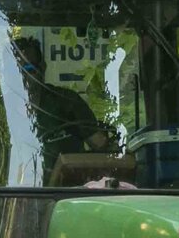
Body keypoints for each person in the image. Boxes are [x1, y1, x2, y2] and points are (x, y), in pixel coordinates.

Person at [15, 37, 113, 169]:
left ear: (42, 67)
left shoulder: (68, 101)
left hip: (69, 182)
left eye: (28, 68)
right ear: (6, 73)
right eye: (15, 70)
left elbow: (101, 147)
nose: (22, 75)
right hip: (13, 182)